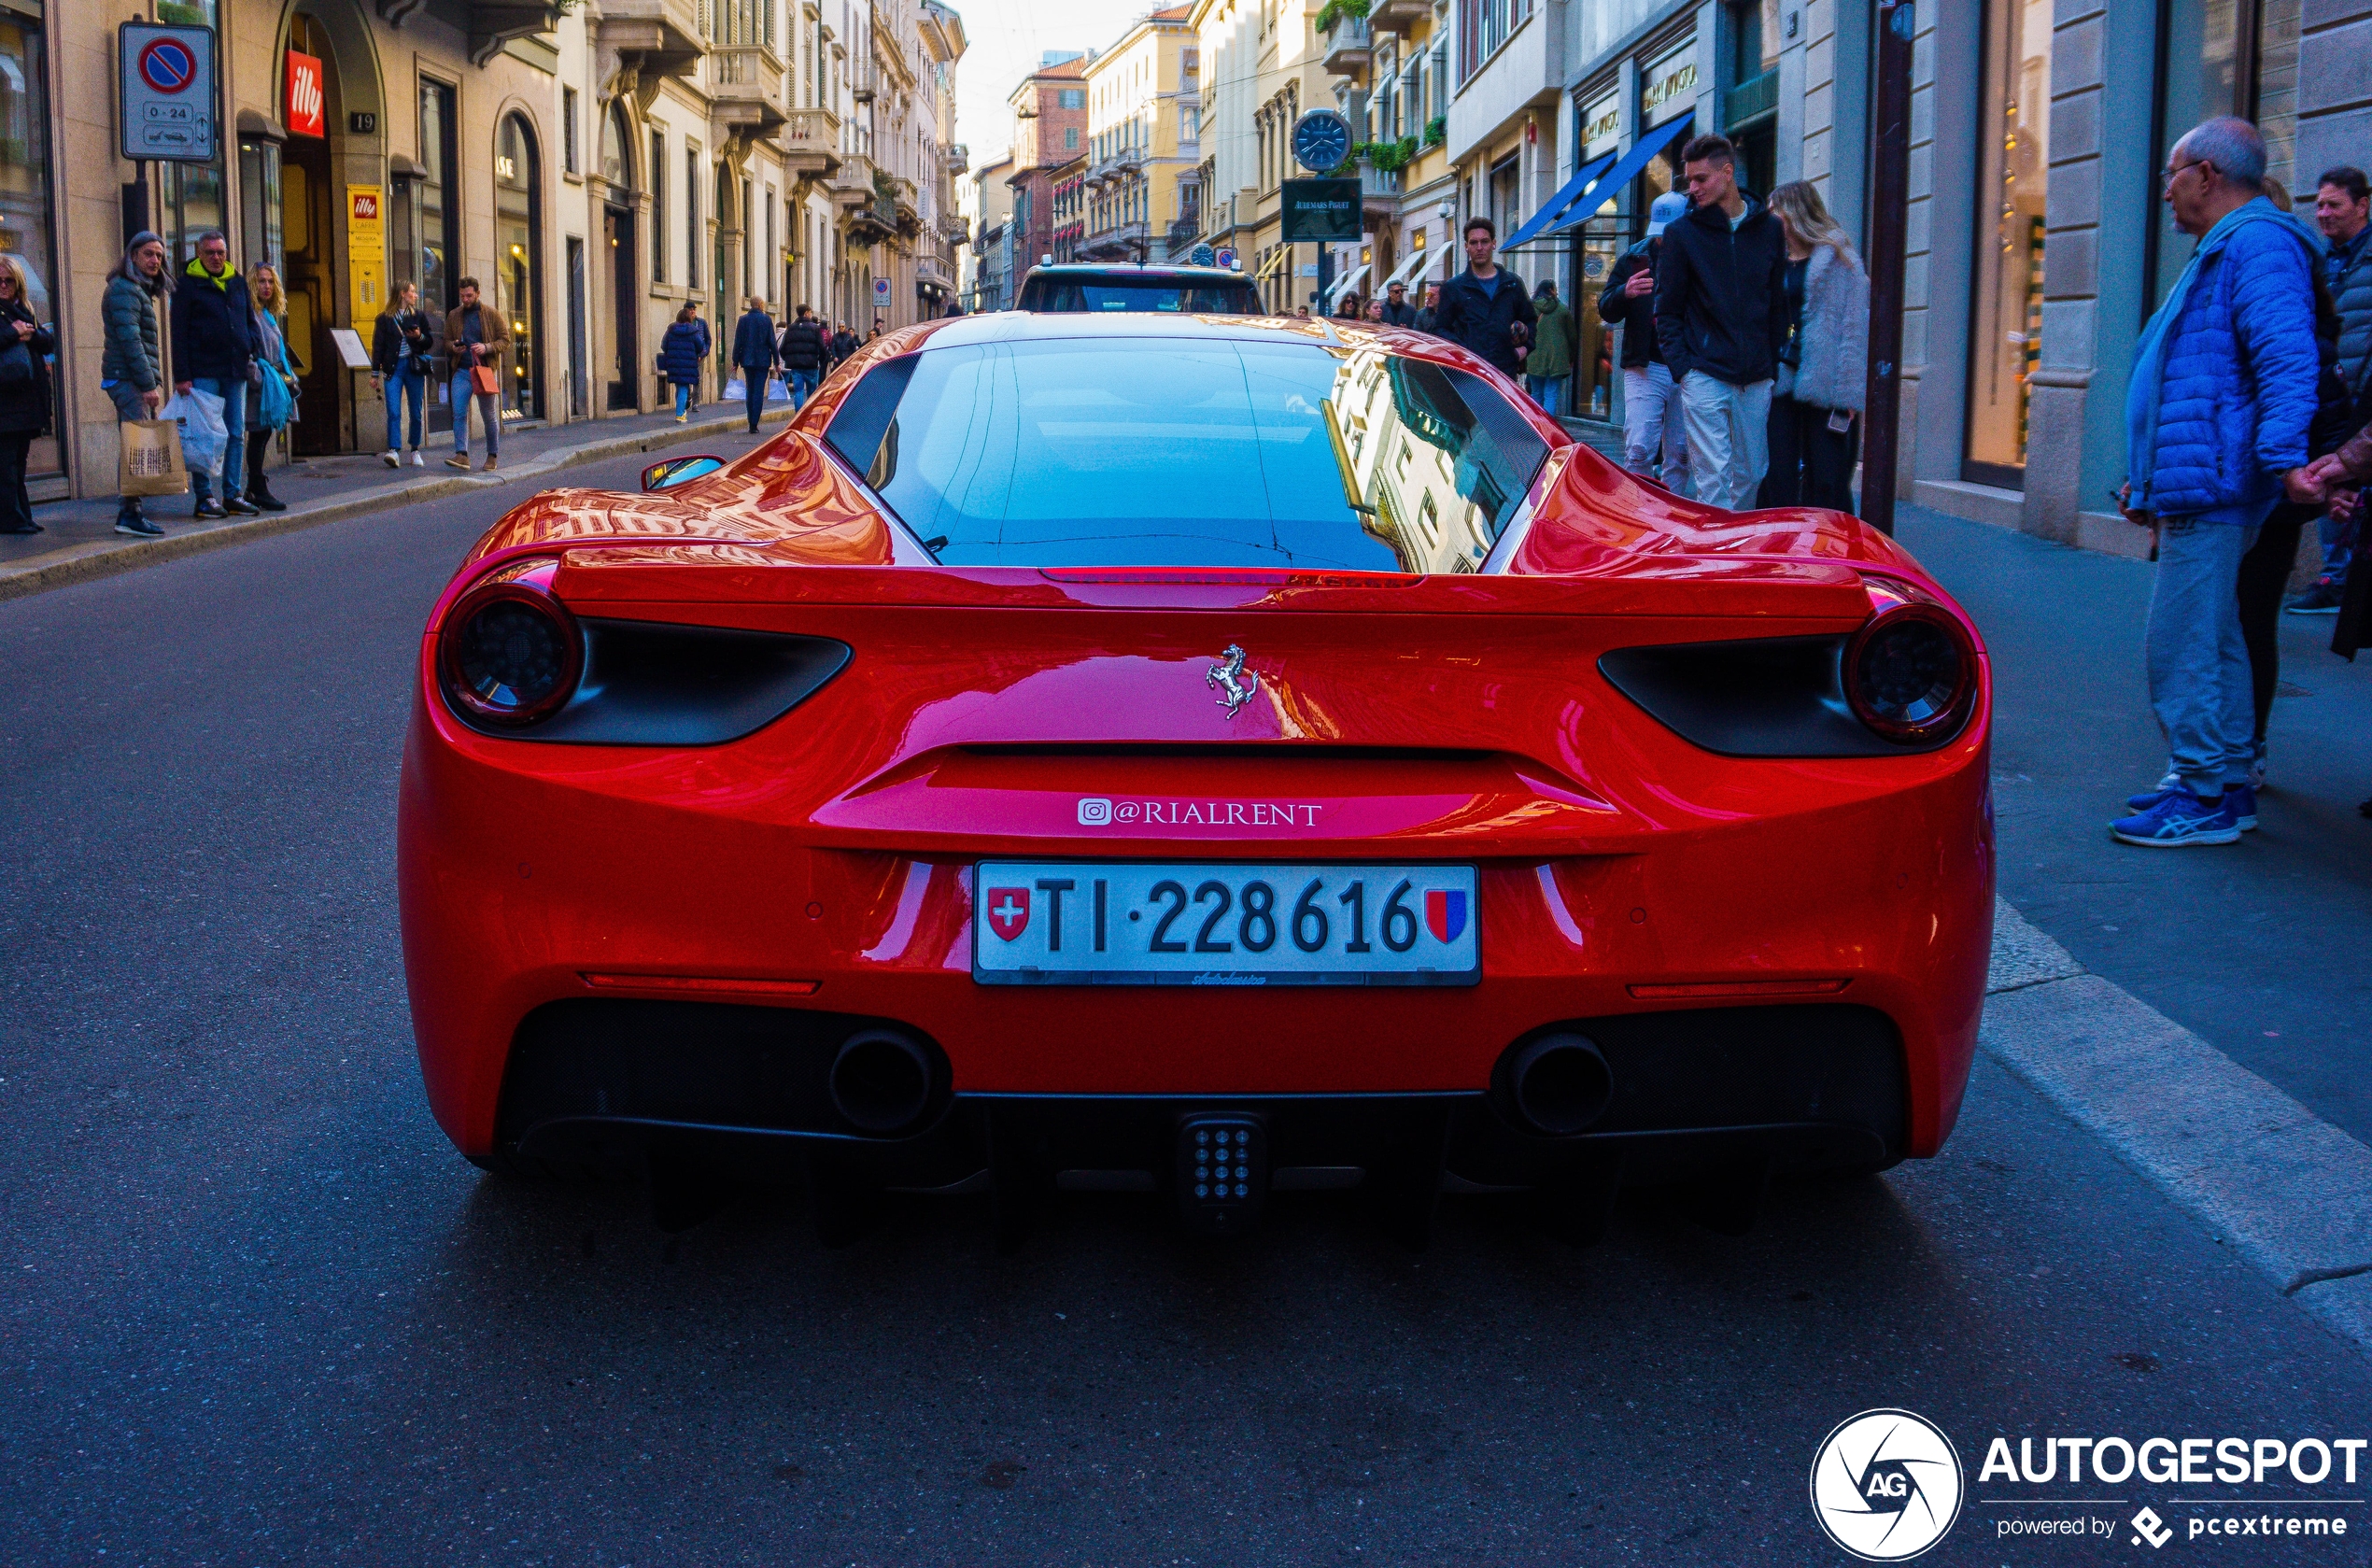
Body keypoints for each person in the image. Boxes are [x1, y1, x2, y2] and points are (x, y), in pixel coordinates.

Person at [2111, 118, 2323, 848]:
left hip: (2217, 481)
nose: (2166, 190)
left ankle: (2201, 790)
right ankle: (2224, 783)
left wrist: (2284, 459)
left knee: (2182, 640)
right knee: (2219, 635)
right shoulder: (2230, 246)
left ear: (2207, 174)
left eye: (2173, 173)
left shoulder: (2255, 244)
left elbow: (2287, 359)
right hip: (2204, 476)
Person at [1655, 135, 1789, 511]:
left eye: (1700, 179)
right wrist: (1685, 369)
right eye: (1689, 181)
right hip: (1704, 372)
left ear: (1727, 173)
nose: (1691, 189)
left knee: (1751, 472)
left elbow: (1777, 300)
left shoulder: (1770, 230)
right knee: (1712, 477)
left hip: (1757, 374)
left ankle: (1735, 550)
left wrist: (1772, 358)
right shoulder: (1681, 235)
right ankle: (1714, 562)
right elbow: (1666, 309)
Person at [2288, 166, 2372, 614]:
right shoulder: (2325, 260)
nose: (2323, 213)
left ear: (2362, 206)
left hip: (2363, 396)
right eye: (2319, 205)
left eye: (2333, 204)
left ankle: (2341, 582)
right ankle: (2335, 580)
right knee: (2331, 480)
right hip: (2333, 395)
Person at [1758, 181, 1870, 513]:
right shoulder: (1770, 258)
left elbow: (1854, 329)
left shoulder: (1839, 259)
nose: (1769, 219)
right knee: (1777, 474)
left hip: (1825, 380)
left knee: (1827, 476)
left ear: (1793, 213)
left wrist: (1849, 393)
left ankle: (1832, 549)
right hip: (1780, 378)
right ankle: (1780, 549)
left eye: (1774, 211)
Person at [1600, 191, 1691, 492]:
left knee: (1680, 452)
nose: (1663, 241)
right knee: (1638, 448)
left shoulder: (1698, 256)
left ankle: (1672, 516)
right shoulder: (1634, 258)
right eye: (1659, 234)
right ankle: (1636, 511)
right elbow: (1605, 308)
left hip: (1688, 365)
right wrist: (1623, 292)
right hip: (1645, 364)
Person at [169, 229, 260, 518]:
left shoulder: (236, 282)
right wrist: (182, 375)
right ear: (200, 253)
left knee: (235, 433)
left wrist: (252, 346)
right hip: (203, 370)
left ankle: (232, 494)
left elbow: (249, 320)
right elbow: (178, 333)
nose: (217, 257)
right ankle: (204, 497)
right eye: (210, 253)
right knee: (204, 435)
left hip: (235, 369)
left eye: (221, 252)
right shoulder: (187, 285)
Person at [100, 232, 171, 537]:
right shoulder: (125, 290)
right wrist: (147, 384)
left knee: (136, 444)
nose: (155, 260)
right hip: (128, 379)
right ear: (133, 257)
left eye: (159, 255)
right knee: (136, 446)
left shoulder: (135, 290)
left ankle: (131, 510)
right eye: (148, 254)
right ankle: (130, 512)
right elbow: (132, 342)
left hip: (129, 378)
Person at [1432, 219, 1537, 377]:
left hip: (1505, 374)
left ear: (1493, 244)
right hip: (1468, 375)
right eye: (1473, 243)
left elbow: (1531, 320)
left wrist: (1524, 349)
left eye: (1484, 242)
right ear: (1466, 246)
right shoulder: (1454, 288)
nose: (1479, 248)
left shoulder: (1512, 284)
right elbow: (1440, 329)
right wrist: (1464, 350)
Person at [0, 254, 53, 535]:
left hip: (26, 401)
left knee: (18, 464)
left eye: (9, 281)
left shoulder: (24, 310)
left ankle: (23, 516)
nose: (4, 286)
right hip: (5, 401)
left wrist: (29, 334)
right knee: (6, 466)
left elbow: (47, 341)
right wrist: (12, 332)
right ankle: (11, 519)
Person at [242, 264, 301, 513]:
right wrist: (260, 379)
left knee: (263, 434)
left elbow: (279, 352)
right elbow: (245, 352)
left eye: (270, 281)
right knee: (257, 434)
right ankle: (256, 488)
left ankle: (254, 488)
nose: (266, 286)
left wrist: (288, 379)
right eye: (261, 281)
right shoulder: (249, 314)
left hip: (273, 381)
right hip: (261, 384)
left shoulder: (267, 314)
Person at [444, 275, 509, 471]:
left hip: (484, 371)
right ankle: (462, 454)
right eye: (462, 296)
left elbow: (505, 340)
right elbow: (446, 340)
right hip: (462, 371)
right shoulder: (454, 315)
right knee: (459, 412)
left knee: (488, 415)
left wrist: (487, 347)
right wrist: (453, 347)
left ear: (478, 294)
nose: (465, 299)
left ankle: (492, 455)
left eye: (469, 295)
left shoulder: (491, 314)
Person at [371, 280, 433, 468]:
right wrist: (374, 373)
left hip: (413, 367)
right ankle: (394, 450)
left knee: (416, 410)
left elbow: (429, 341)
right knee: (393, 410)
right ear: (402, 294)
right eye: (412, 292)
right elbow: (378, 346)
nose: (415, 295)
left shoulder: (419, 316)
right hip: (393, 367)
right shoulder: (384, 319)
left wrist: (419, 337)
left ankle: (415, 449)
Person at [1524, 278, 1581, 417]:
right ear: (1551, 290)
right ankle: (1548, 430)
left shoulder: (1530, 308)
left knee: (1536, 393)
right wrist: (1572, 357)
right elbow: (1572, 337)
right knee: (1551, 395)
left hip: (1534, 357)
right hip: (1557, 358)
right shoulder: (1562, 310)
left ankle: (1536, 427)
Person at [731, 295, 778, 434]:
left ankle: (750, 419)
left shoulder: (743, 320)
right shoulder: (766, 319)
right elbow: (772, 342)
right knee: (758, 391)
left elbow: (737, 342)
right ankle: (754, 423)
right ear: (761, 305)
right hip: (762, 361)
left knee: (750, 390)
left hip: (747, 360)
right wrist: (776, 361)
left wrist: (735, 361)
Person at [658, 305, 706, 422]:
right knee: (684, 387)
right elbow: (700, 346)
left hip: (673, 363)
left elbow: (664, 345)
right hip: (688, 364)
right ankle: (680, 414)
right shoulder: (693, 331)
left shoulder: (671, 330)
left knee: (679, 387)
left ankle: (681, 410)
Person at [778, 304, 827, 409]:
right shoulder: (815, 328)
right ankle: (809, 415)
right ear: (806, 313)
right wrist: (820, 360)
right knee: (812, 393)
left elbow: (782, 349)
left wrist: (789, 360)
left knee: (798, 392)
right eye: (810, 312)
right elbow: (822, 347)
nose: (810, 314)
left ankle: (798, 417)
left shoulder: (790, 328)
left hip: (796, 367)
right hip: (811, 365)